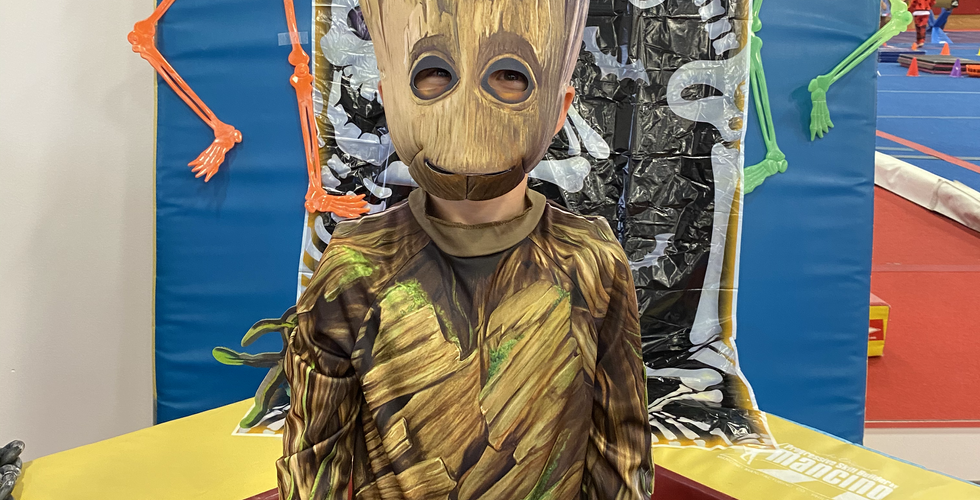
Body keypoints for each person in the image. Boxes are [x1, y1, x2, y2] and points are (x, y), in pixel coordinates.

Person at [274, 0, 655, 498]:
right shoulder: (357, 264)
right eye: (433, 73)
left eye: (510, 75)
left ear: (559, 108)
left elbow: (621, 453)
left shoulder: (590, 260)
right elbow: (311, 460)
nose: (467, 107)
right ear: (390, 98)